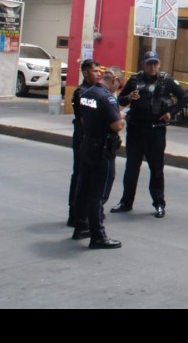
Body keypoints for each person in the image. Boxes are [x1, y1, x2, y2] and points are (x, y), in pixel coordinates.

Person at [111, 51, 188, 218]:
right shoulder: (134, 80)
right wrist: (129, 97)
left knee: (156, 169)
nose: (152, 67)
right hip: (136, 129)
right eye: (149, 64)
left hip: (156, 130)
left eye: (155, 64)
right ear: (143, 64)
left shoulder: (166, 80)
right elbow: (120, 100)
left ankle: (159, 203)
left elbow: (184, 97)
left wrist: (171, 113)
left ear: (159, 64)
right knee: (131, 168)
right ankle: (126, 202)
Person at [75, 67, 125, 249]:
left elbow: (83, 119)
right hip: (102, 149)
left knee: (84, 189)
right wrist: (122, 117)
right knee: (98, 193)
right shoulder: (107, 98)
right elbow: (117, 125)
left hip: (88, 144)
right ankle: (98, 235)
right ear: (115, 80)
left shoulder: (87, 93)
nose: (117, 89)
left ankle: (81, 226)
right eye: (119, 85)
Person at [67, 58, 101, 228]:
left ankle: (85, 213)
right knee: (80, 174)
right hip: (83, 138)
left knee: (89, 177)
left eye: (99, 71)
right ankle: (75, 213)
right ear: (86, 73)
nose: (98, 74)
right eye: (95, 71)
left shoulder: (96, 90)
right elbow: (86, 118)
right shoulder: (82, 92)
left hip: (92, 139)